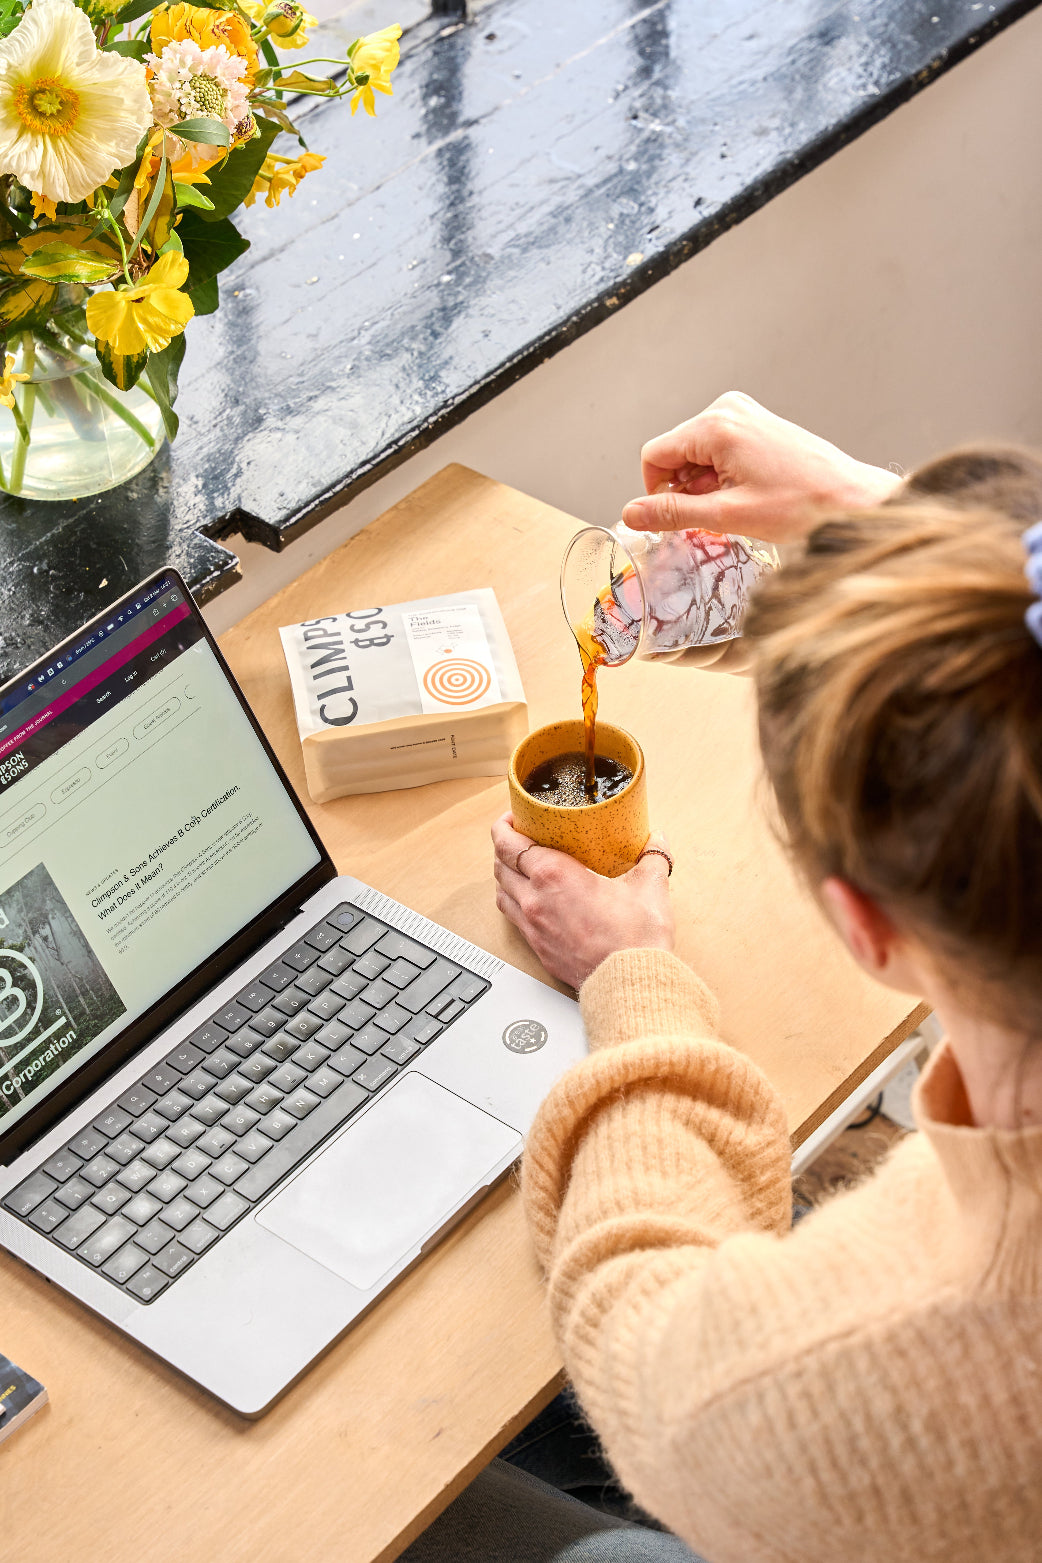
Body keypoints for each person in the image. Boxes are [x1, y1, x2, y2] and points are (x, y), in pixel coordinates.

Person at [404, 394, 1042, 1562]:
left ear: (864, 926)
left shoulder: (895, 1349)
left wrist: (636, 981)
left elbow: (644, 1344)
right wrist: (874, 518)